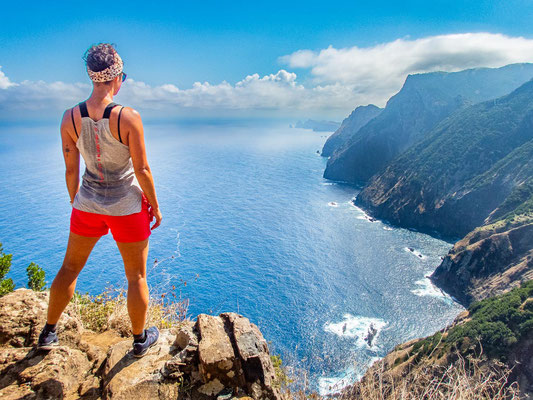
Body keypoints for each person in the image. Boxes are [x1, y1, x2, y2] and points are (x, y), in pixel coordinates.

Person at [37, 43, 163, 358]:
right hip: (126, 207)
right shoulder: (128, 117)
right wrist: (156, 208)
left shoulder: (69, 117)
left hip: (87, 204)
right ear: (116, 77)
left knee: (69, 268)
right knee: (136, 276)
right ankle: (139, 341)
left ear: (92, 76)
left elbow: (70, 169)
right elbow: (142, 169)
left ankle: (49, 332)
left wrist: (76, 202)